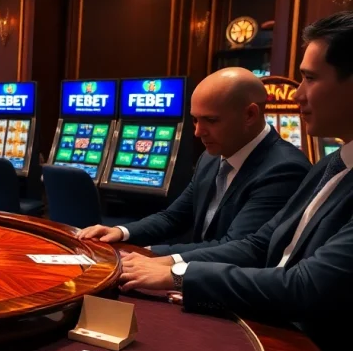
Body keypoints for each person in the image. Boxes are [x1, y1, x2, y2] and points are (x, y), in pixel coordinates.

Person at [117, 12, 353, 351]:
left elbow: (304, 287)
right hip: (266, 319)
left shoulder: (290, 166)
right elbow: (261, 245)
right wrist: (169, 266)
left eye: (310, 78)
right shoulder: (334, 162)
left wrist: (177, 277)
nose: (296, 95)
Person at [78, 68, 310, 254]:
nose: (198, 132)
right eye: (195, 120)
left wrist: (150, 255)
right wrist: (120, 232)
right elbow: (174, 217)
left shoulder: (283, 169)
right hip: (196, 277)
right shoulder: (211, 157)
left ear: (250, 115)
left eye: (210, 120)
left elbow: (238, 247)